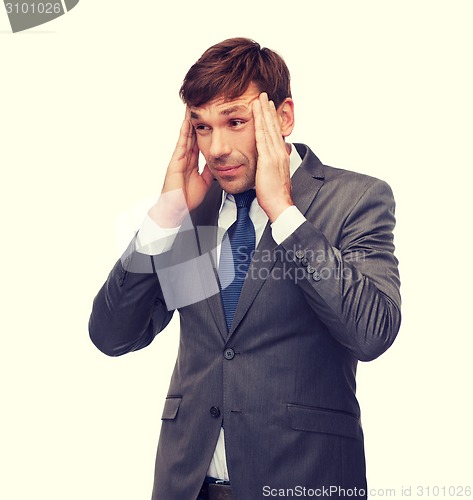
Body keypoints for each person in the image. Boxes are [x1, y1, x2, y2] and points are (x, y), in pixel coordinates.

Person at [89, 37, 401, 500]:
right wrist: (165, 217)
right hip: (186, 486)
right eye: (201, 127)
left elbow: (372, 333)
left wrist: (285, 214)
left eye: (235, 122)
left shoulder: (353, 200)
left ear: (284, 117)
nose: (215, 148)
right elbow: (113, 335)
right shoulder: (194, 210)